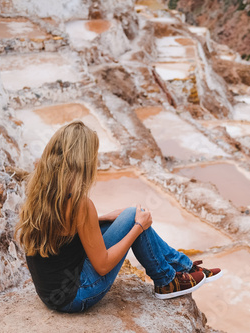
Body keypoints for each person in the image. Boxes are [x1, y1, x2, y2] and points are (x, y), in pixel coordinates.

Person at [14, 120, 222, 313]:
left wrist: (101, 219)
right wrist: (137, 228)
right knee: (134, 218)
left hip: (50, 293)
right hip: (76, 296)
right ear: (84, 161)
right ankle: (168, 280)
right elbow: (102, 265)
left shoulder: (40, 189)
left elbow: (62, 230)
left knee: (129, 215)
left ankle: (183, 267)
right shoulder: (80, 204)